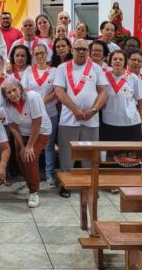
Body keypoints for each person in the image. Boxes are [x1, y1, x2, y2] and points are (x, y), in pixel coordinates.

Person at [54, 39, 108, 198]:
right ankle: (66, 184)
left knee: (89, 153)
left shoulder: (96, 69)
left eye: (85, 49)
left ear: (89, 51)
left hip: (91, 119)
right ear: (72, 50)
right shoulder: (62, 68)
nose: (82, 51)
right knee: (67, 152)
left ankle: (89, 185)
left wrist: (93, 109)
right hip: (68, 118)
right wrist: (76, 110)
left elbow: (103, 92)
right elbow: (59, 91)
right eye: (78, 48)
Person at [2, 80, 52, 208]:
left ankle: (34, 191)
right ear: (5, 95)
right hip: (23, 132)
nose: (13, 94)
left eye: (14, 90)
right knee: (20, 157)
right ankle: (30, 181)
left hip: (41, 130)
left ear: (20, 89)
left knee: (30, 157)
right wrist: (22, 147)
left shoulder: (33, 97)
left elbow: (37, 122)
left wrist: (29, 147)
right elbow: (13, 127)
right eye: (8, 92)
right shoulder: (6, 105)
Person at [22, 44, 58, 188]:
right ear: (33, 55)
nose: (40, 56)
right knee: (32, 145)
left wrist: (40, 102)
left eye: (42, 53)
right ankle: (32, 175)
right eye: (36, 53)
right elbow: (24, 90)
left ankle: (49, 175)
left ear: (47, 54)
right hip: (32, 116)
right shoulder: (28, 71)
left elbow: (57, 91)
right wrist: (36, 105)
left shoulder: (54, 71)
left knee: (49, 146)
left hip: (50, 112)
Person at [101, 51, 142, 141]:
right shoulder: (103, 77)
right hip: (109, 122)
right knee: (111, 153)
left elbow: (141, 100)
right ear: (110, 62)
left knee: (131, 153)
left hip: (131, 122)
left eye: (121, 59)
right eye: (115, 59)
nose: (118, 61)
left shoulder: (133, 77)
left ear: (125, 62)